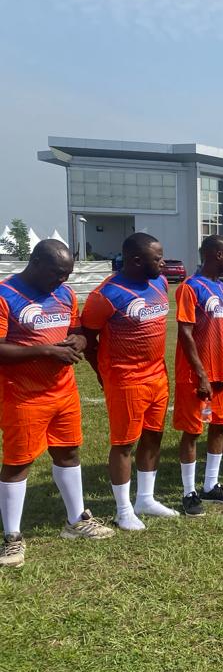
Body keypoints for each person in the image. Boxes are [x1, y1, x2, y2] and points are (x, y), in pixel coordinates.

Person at [0, 241, 113, 567]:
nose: (61, 281)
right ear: (35, 262)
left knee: (68, 452)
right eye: (56, 274)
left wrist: (77, 340)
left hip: (63, 392)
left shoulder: (64, 295)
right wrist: (48, 351)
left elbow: (77, 331)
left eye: (66, 275)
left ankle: (76, 521)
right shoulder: (5, 295)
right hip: (22, 394)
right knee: (18, 462)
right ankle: (11, 537)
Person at [82, 232, 176, 531]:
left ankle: (145, 499)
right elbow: (87, 338)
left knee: (154, 435)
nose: (163, 263)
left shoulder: (159, 283)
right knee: (124, 444)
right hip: (126, 378)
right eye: (157, 258)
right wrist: (103, 372)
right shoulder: (106, 295)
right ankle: (123, 511)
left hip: (157, 375)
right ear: (136, 260)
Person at [173, 234, 223, 516]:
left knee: (219, 425)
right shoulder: (190, 288)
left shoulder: (222, 289)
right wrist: (200, 373)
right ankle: (189, 492)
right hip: (196, 375)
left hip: (221, 373)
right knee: (192, 431)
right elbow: (185, 332)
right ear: (216, 255)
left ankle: (211, 485)